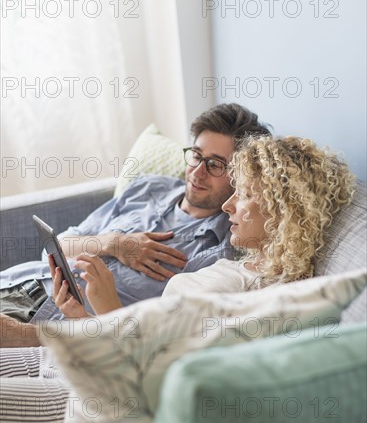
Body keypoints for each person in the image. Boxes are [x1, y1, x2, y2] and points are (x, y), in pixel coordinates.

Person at [0, 134, 355, 423]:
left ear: (282, 211)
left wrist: (108, 306)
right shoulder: (237, 265)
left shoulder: (269, 296)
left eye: (244, 194)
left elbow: (163, 374)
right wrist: (80, 316)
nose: (229, 203)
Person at [0, 103, 271, 348]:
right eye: (196, 156)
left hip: (40, 323)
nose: (198, 172)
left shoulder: (219, 253)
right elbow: (57, 246)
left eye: (215, 165)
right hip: (17, 281)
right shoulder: (150, 187)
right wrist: (112, 243)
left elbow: (149, 339)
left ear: (240, 176)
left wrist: (31, 335)